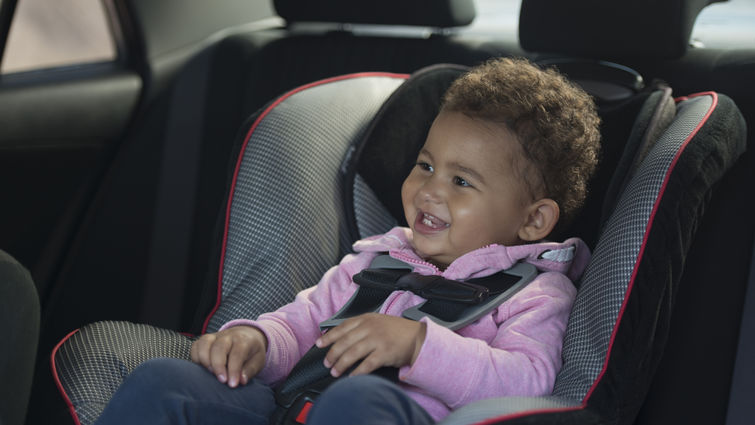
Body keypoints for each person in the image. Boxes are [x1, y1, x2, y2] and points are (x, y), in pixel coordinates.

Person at [94, 57, 601, 425]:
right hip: (294, 406)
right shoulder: (377, 258)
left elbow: (529, 382)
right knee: (164, 382)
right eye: (425, 165)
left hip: (395, 417)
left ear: (534, 221)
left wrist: (417, 345)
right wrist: (257, 341)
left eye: (461, 182)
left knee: (355, 404)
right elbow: (305, 320)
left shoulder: (535, 293)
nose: (428, 190)